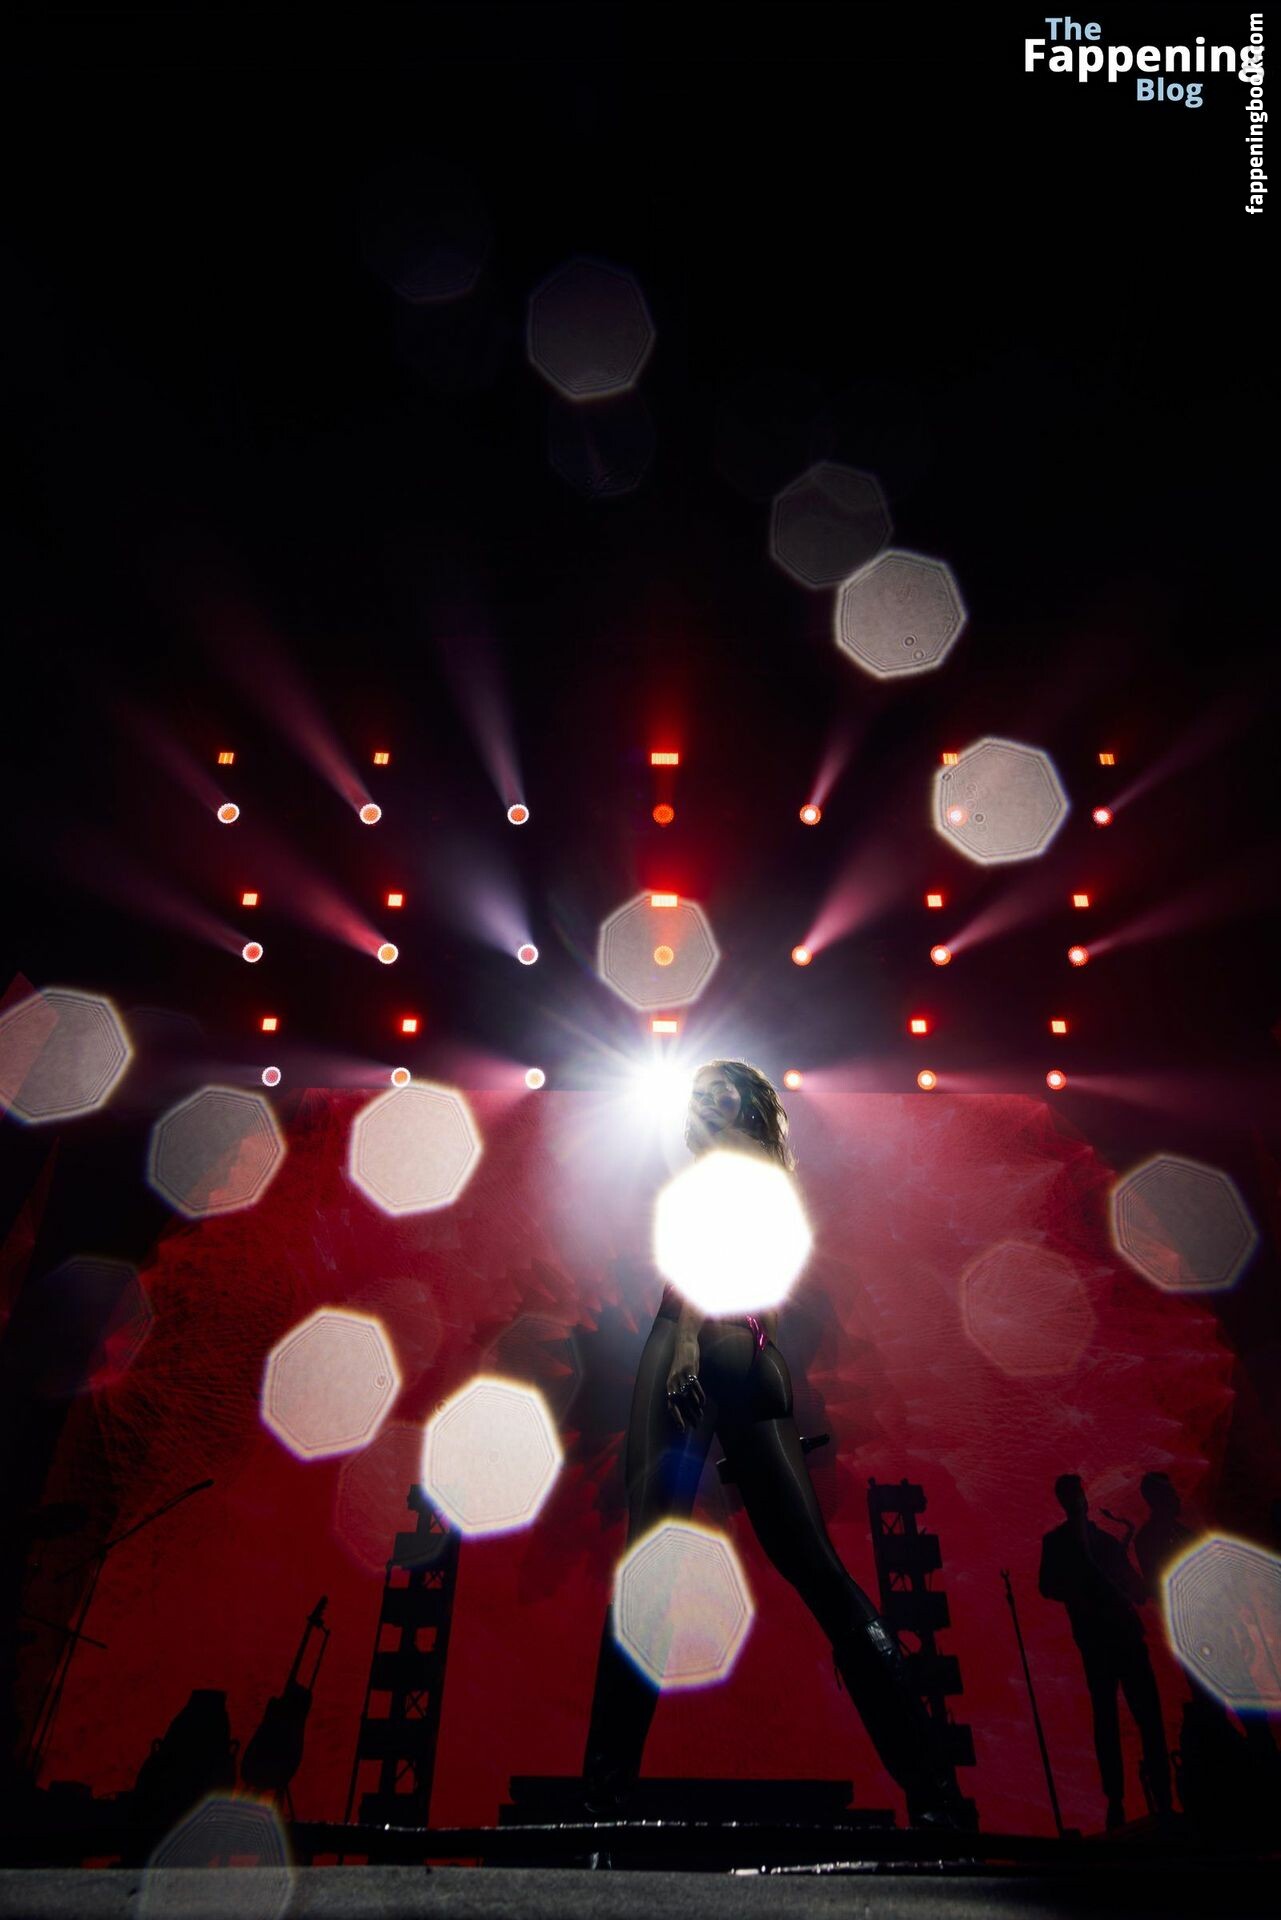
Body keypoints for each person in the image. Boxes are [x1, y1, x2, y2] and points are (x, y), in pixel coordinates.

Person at [580, 1059, 970, 1827]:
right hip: (755, 1354)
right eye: (699, 1089)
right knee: (818, 1571)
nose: (704, 1095)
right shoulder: (769, 1169)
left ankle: (603, 1797)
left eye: (719, 1086)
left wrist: (686, 1343)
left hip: (696, 1337)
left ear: (748, 1102)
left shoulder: (721, 1168)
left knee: (650, 1566)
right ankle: (936, 1794)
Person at [1038, 1473, 1173, 1831]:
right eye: (1071, 1494)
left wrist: (1137, 1588)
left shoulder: (1103, 1540)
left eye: (1077, 1493)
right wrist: (1084, 1593)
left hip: (1121, 1634)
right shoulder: (1057, 1542)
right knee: (1110, 1720)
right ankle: (1118, 1801)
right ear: (1064, 1500)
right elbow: (1046, 1586)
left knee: (1144, 1716)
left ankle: (1160, 1797)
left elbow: (1135, 1587)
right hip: (1098, 1639)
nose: (1077, 1500)